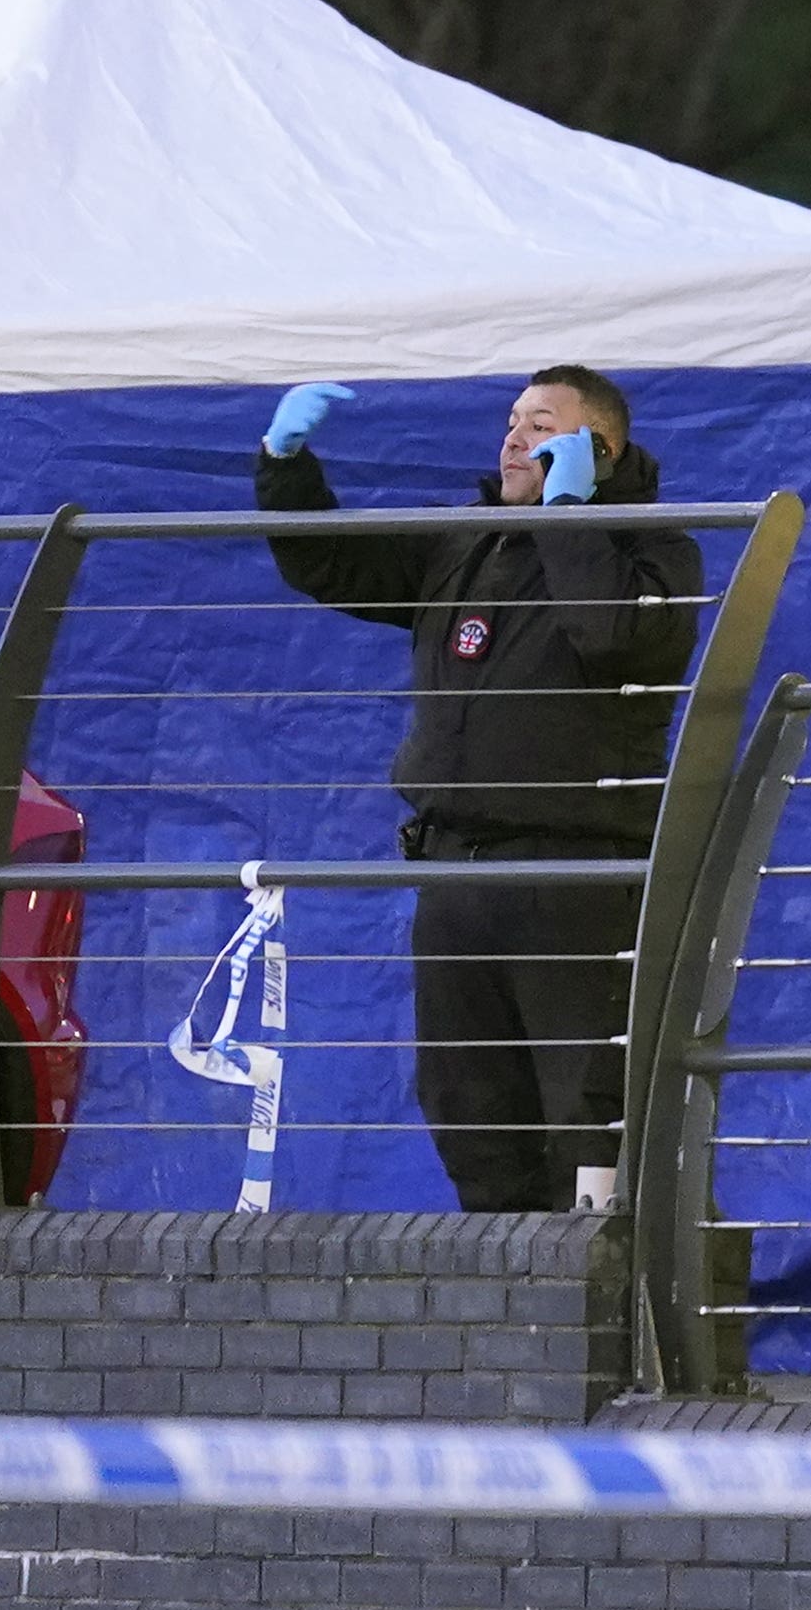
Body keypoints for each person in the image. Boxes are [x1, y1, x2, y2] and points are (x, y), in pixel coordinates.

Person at [257, 368, 702, 1211]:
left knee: (584, 1102)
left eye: (540, 424)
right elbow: (332, 565)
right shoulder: (468, 539)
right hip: (455, 866)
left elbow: (612, 636)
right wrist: (285, 465)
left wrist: (568, 518)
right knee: (467, 1100)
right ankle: (505, 1294)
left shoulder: (657, 547)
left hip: (572, 873)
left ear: (595, 451)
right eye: (509, 420)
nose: (511, 437)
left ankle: (596, 1294)